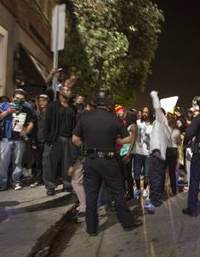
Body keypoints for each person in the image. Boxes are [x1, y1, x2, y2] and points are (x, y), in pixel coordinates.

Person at [72, 90, 142, 236]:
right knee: (117, 192)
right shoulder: (114, 119)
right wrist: (119, 140)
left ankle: (91, 228)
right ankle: (127, 223)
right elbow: (128, 139)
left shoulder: (85, 118)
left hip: (90, 160)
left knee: (91, 195)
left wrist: (88, 145)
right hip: (109, 160)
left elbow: (75, 140)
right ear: (109, 103)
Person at [0, 89, 34, 192]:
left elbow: (32, 122)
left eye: (22, 99)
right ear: (13, 98)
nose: (19, 101)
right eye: (17, 98)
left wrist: (26, 131)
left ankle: (16, 181)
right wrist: (8, 112)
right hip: (5, 138)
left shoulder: (27, 109)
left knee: (18, 162)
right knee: (2, 162)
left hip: (19, 139)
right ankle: (0, 183)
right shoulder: (4, 106)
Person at [43, 85, 78, 195]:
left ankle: (67, 184)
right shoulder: (53, 106)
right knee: (50, 164)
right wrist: (48, 138)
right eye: (67, 90)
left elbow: (76, 124)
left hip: (69, 139)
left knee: (68, 163)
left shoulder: (73, 107)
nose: (69, 91)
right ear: (60, 92)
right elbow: (47, 123)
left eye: (70, 90)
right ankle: (50, 186)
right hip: (55, 138)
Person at [144, 91, 171, 208]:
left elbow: (157, 107)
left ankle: (155, 201)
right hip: (156, 154)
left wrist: (154, 95)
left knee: (155, 178)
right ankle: (156, 199)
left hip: (157, 154)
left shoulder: (161, 121)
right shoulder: (159, 125)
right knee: (156, 177)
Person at [133, 106, 153, 199]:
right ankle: (137, 189)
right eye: (143, 112)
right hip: (138, 152)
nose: (144, 114)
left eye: (146, 112)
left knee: (146, 174)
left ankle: (145, 189)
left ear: (149, 113)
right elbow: (133, 137)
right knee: (136, 173)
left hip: (148, 153)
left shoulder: (152, 125)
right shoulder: (137, 123)